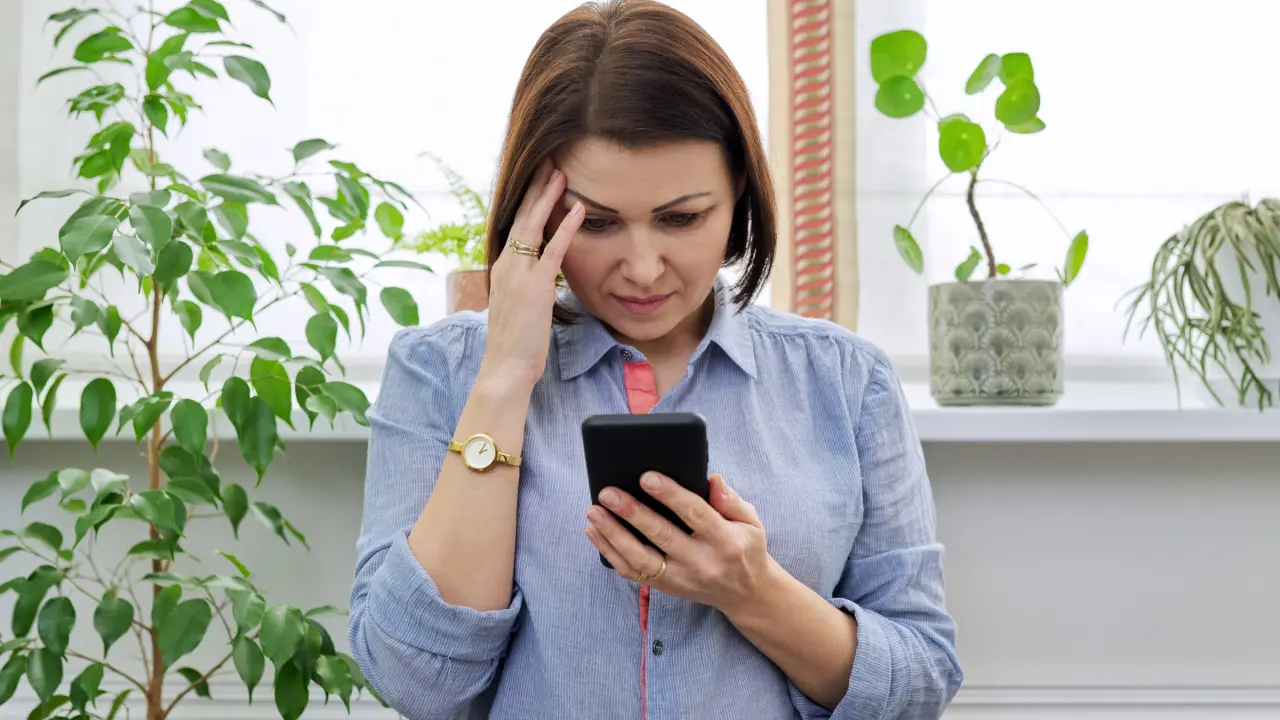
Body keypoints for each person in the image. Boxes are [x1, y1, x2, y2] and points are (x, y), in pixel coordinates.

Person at [347, 1, 962, 718]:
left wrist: (752, 591)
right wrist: (505, 378)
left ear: (740, 191)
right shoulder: (439, 373)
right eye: (597, 223)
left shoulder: (847, 382)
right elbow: (415, 684)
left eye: (681, 218)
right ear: (534, 211)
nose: (642, 269)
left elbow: (919, 683)